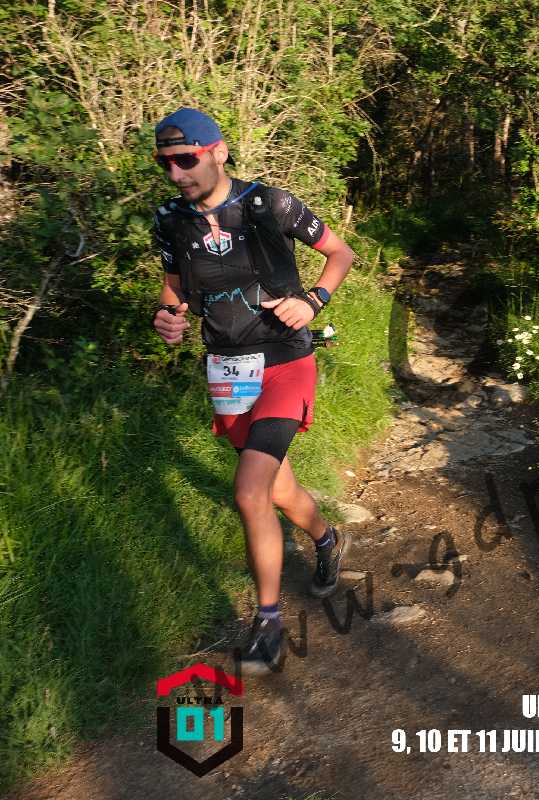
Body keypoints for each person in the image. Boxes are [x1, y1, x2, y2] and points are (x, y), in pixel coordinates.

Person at [150, 108, 355, 675]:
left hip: (286, 362)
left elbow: (340, 253)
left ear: (218, 152)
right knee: (277, 490)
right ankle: (327, 539)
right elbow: (173, 288)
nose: (176, 174)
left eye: (185, 159)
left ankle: (267, 623)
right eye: (165, 163)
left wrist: (313, 301)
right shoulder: (170, 221)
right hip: (227, 370)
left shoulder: (270, 204)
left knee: (247, 491)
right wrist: (167, 317)